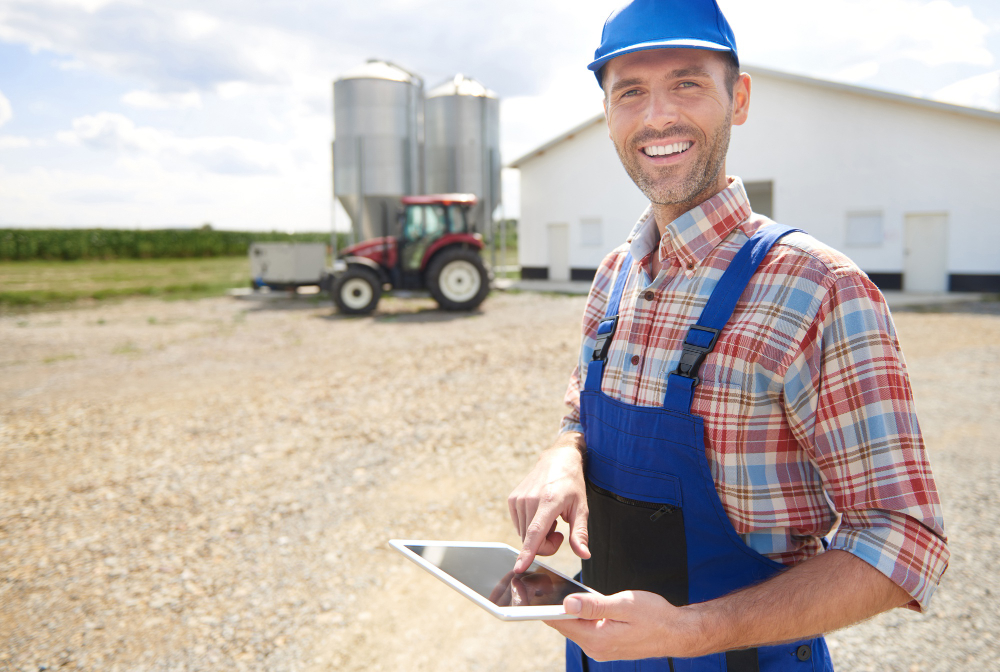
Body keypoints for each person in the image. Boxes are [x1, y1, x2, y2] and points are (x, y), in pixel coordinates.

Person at [506, 1, 949, 670]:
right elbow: (580, 409)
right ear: (608, 115)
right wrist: (563, 451)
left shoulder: (818, 290)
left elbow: (905, 541)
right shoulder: (613, 279)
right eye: (630, 91)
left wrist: (691, 633)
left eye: (687, 83)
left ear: (738, 99)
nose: (657, 116)